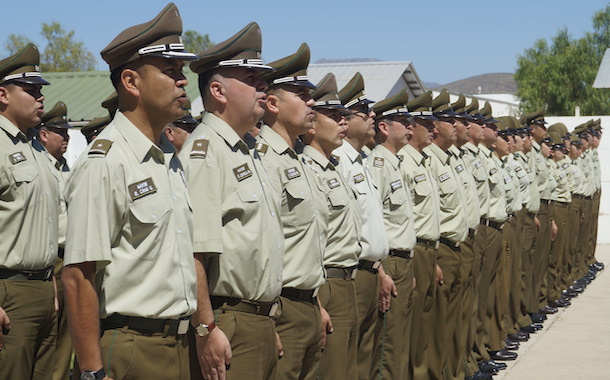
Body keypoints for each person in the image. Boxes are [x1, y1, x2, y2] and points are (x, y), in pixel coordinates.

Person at [62, 4, 202, 380]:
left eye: (182, 72)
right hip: (132, 347)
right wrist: (92, 372)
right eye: (170, 72)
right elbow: (78, 275)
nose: (183, 81)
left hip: (180, 343)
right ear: (131, 82)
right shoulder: (105, 162)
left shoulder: (167, 157)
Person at [180, 22, 283, 380]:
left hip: (259, 319)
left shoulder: (246, 151)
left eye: (263, 80)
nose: (263, 87)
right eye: (251, 80)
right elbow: (193, 253)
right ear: (218, 91)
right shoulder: (205, 151)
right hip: (229, 322)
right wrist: (206, 329)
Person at [256, 42, 329, 380]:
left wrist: (315, 304)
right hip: (280, 310)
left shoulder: (297, 159)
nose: (311, 101)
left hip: (308, 304)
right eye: (301, 94)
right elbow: (260, 249)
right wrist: (266, 318)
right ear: (273, 103)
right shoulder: (261, 160)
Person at [0, 42, 58, 380]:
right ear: (3, 95)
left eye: (41, 90)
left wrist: (48, 288)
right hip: (9, 291)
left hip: (42, 288)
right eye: (31, 89)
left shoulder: (35, 146)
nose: (40, 97)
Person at [299, 72, 362, 380]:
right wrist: (317, 301)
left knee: (347, 368)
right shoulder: (306, 169)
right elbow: (312, 243)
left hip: (348, 280)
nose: (343, 124)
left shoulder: (333, 167)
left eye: (343, 116)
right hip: (327, 285)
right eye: (335, 116)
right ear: (312, 123)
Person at [333, 72, 391, 380]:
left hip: (371, 271)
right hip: (351, 274)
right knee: (350, 362)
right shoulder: (339, 161)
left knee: (368, 357)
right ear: (345, 119)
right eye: (363, 112)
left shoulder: (361, 160)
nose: (371, 116)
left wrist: (380, 269)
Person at [369, 89, 417, 380]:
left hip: (402, 261)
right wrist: (382, 271)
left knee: (400, 343)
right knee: (388, 346)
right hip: (389, 263)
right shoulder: (378, 165)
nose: (410, 126)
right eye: (403, 120)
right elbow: (375, 224)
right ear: (384, 127)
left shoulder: (395, 163)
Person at [397, 91, 442, 380]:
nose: (434, 128)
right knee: (412, 328)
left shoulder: (424, 161)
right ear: (412, 128)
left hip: (430, 249)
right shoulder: (403, 162)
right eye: (428, 122)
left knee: (427, 321)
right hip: (415, 251)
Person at [34, 100, 74, 380]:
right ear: (44, 134)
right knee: (46, 337)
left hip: (69, 258)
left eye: (68, 132)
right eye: (61, 132)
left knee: (65, 336)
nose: (67, 138)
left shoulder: (65, 169)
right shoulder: (40, 166)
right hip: (51, 258)